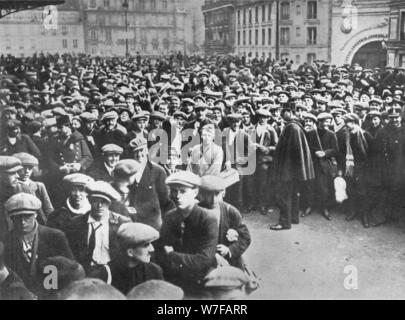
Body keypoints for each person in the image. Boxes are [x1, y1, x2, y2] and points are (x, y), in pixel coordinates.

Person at [156, 171, 218, 294]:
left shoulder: (207, 219)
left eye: (183, 191)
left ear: (195, 192)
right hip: (174, 278)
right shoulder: (170, 217)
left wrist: (173, 255)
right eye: (174, 191)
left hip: (201, 279)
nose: (177, 196)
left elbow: (204, 260)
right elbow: (160, 250)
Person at [4, 193, 74, 295]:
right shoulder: (6, 240)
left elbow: (71, 270)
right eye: (17, 217)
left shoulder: (55, 236)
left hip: (51, 294)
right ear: (11, 218)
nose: (23, 222)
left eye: (27, 216)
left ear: (36, 214)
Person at [65, 181, 131, 273]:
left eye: (104, 202)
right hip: (86, 272)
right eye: (95, 201)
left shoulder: (121, 223)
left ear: (109, 203)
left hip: (114, 272)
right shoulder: (76, 223)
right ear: (89, 201)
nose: (99, 205)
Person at [270, 110, 315, 230]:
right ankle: (294, 218)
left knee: (284, 195)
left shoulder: (292, 128)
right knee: (294, 194)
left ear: (290, 113)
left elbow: (289, 151)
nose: (281, 114)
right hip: (294, 170)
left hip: (287, 169)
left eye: (284, 112)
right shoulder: (296, 127)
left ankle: (284, 222)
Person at [199, 175, 251, 269]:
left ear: (223, 193)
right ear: (202, 194)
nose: (213, 199)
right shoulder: (197, 211)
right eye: (209, 194)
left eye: (217, 194)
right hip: (203, 260)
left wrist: (229, 250)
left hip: (228, 261)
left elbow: (245, 237)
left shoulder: (230, 212)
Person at [128, 137, 174, 231]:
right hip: (133, 223)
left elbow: (165, 201)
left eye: (141, 150)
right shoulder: (128, 171)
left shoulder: (158, 171)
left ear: (147, 151)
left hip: (152, 223)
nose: (139, 154)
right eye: (135, 152)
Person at [109, 222, 163, 295]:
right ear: (130, 252)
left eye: (151, 244)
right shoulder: (108, 273)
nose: (152, 249)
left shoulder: (154, 271)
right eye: (146, 245)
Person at [13, 152, 54, 225]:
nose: (27, 171)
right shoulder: (12, 187)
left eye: (30, 168)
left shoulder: (39, 186)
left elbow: (49, 210)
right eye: (23, 168)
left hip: (40, 223)